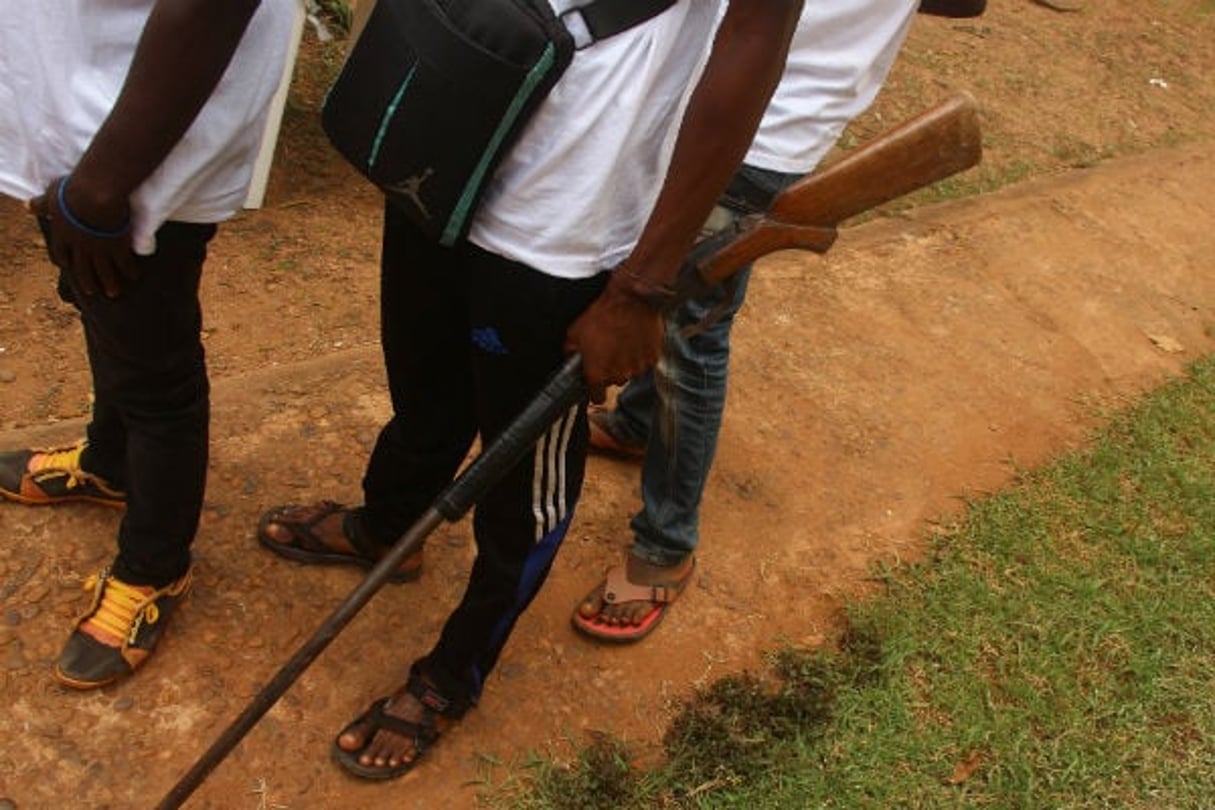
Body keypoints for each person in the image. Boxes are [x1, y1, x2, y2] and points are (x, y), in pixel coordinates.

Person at [255, 0, 803, 780]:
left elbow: (752, 42)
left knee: (523, 485)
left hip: (563, 219)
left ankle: (452, 674)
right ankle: (388, 527)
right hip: (446, 145)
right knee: (422, 388)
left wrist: (641, 288)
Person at [573, 0, 989, 642]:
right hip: (725, 101)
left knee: (687, 333)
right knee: (677, 299)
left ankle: (665, 544)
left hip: (754, 120)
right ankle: (635, 423)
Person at [0, 0, 296, 689]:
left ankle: (154, 565)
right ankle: (109, 462)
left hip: (136, 146)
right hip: (76, 116)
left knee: (155, 369)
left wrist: (100, 190)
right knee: (107, 316)